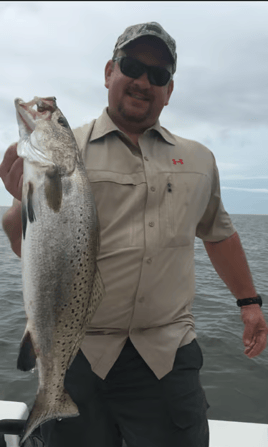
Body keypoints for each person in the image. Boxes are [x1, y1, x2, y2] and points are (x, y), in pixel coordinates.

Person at [1, 22, 268, 447]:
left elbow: (219, 234)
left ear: (170, 89)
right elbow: (26, 244)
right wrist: (18, 204)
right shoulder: (67, 149)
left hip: (167, 355)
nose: (144, 81)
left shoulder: (199, 159)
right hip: (79, 353)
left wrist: (250, 304)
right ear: (109, 71)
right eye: (132, 66)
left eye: (158, 75)